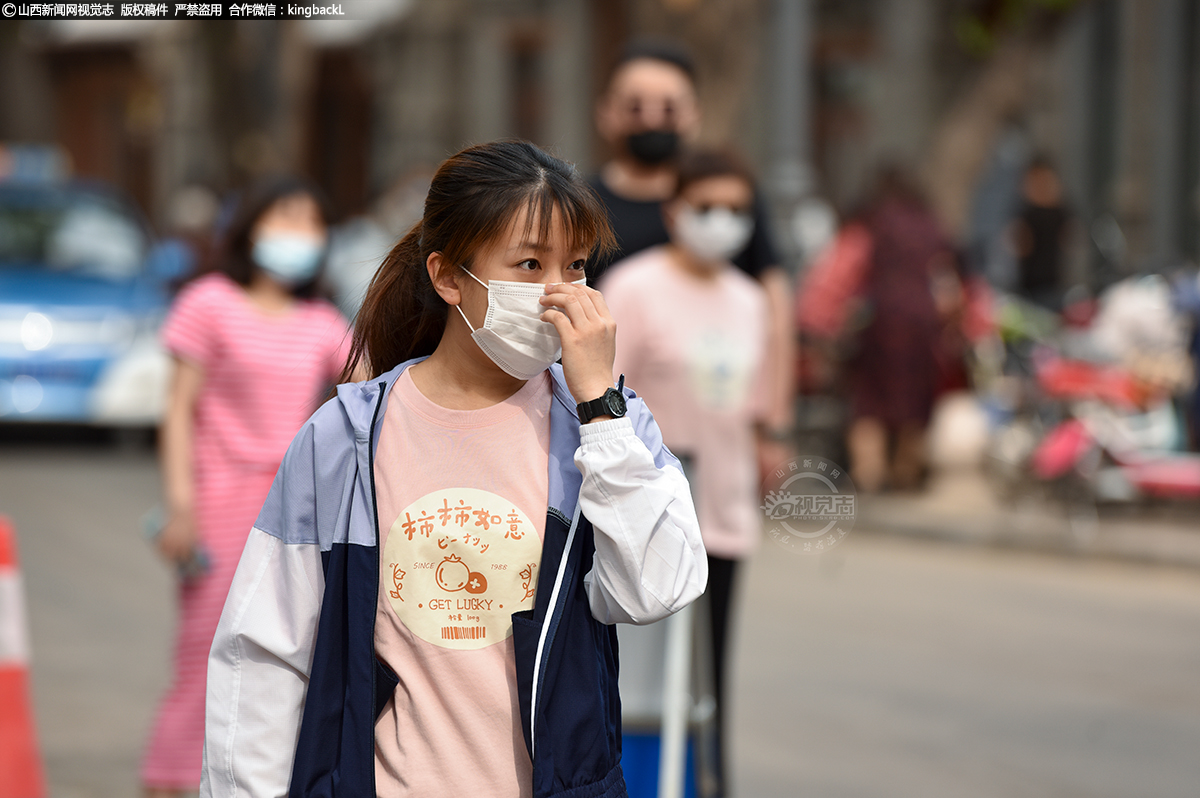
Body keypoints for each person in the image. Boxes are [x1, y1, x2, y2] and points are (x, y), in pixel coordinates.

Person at [199, 140, 707, 798]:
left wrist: (600, 412)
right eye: (529, 264)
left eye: (575, 266)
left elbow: (657, 589)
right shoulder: (346, 438)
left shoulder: (608, 426)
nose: (559, 294)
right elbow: (263, 655)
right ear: (448, 276)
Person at [141, 176, 351, 798]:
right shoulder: (207, 302)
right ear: (250, 226)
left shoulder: (322, 321)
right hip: (217, 505)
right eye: (285, 219)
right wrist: (181, 506)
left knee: (280, 659)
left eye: (311, 224)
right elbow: (178, 410)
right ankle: (169, 782)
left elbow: (368, 389)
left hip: (294, 510)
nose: (298, 236)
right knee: (204, 659)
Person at [600, 148, 770, 798]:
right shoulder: (635, 287)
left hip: (720, 508)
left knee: (707, 669)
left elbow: (749, 407)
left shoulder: (750, 299)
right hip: (642, 513)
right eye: (706, 207)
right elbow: (604, 392)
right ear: (674, 211)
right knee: (629, 670)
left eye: (736, 210)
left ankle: (706, 779)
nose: (721, 222)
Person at [589, 38, 794, 452]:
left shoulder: (730, 201)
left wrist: (775, 417)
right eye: (634, 107)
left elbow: (774, 301)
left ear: (694, 114)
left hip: (716, 419)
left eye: (668, 107)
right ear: (606, 113)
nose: (651, 119)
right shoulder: (579, 205)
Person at [842, 167, 959, 493]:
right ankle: (906, 473)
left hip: (881, 321)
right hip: (924, 322)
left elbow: (845, 273)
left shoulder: (873, 222)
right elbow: (948, 284)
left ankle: (868, 473)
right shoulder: (932, 225)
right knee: (916, 400)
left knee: (869, 401)